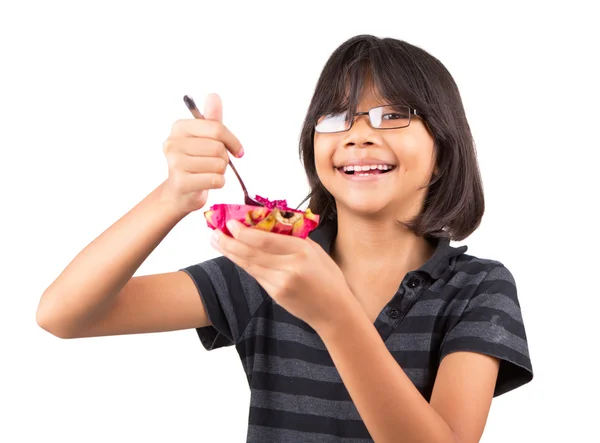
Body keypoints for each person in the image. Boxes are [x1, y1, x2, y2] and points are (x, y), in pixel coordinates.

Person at [36, 34, 533, 443]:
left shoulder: (477, 289)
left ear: (444, 149)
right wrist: (174, 196)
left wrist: (334, 313)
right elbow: (64, 314)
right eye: (337, 116)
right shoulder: (272, 268)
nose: (358, 134)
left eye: (393, 114)